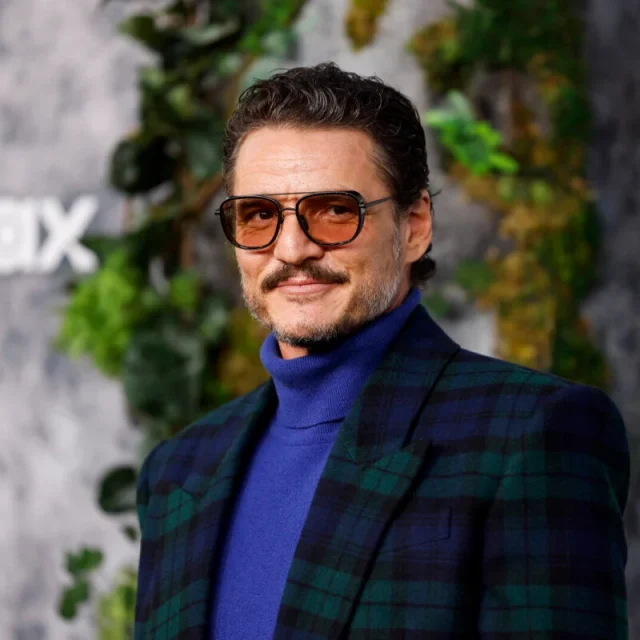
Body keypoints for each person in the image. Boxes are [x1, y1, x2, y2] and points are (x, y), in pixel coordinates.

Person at [134, 62, 630, 639]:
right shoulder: (177, 472)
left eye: (334, 211)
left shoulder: (531, 434)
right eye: (260, 215)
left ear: (414, 225)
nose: (291, 248)